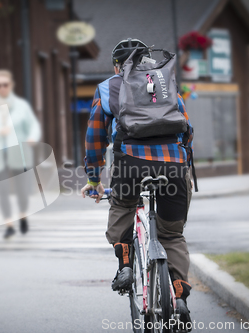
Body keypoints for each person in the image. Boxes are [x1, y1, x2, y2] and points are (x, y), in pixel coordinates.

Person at [80, 39, 194, 327]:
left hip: (131, 163)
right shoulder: (166, 83)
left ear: (117, 65)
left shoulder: (109, 87)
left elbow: (95, 136)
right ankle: (179, 294)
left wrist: (94, 178)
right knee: (172, 234)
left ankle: (126, 264)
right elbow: (187, 130)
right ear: (147, 60)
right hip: (175, 166)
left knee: (123, 204)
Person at [0, 69, 41, 238]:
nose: (2, 88)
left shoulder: (22, 106)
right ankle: (9, 224)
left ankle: (22, 215)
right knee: (3, 191)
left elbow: (33, 125)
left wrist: (32, 137)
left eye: (5, 84)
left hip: (19, 154)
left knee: (22, 191)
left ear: (11, 85)